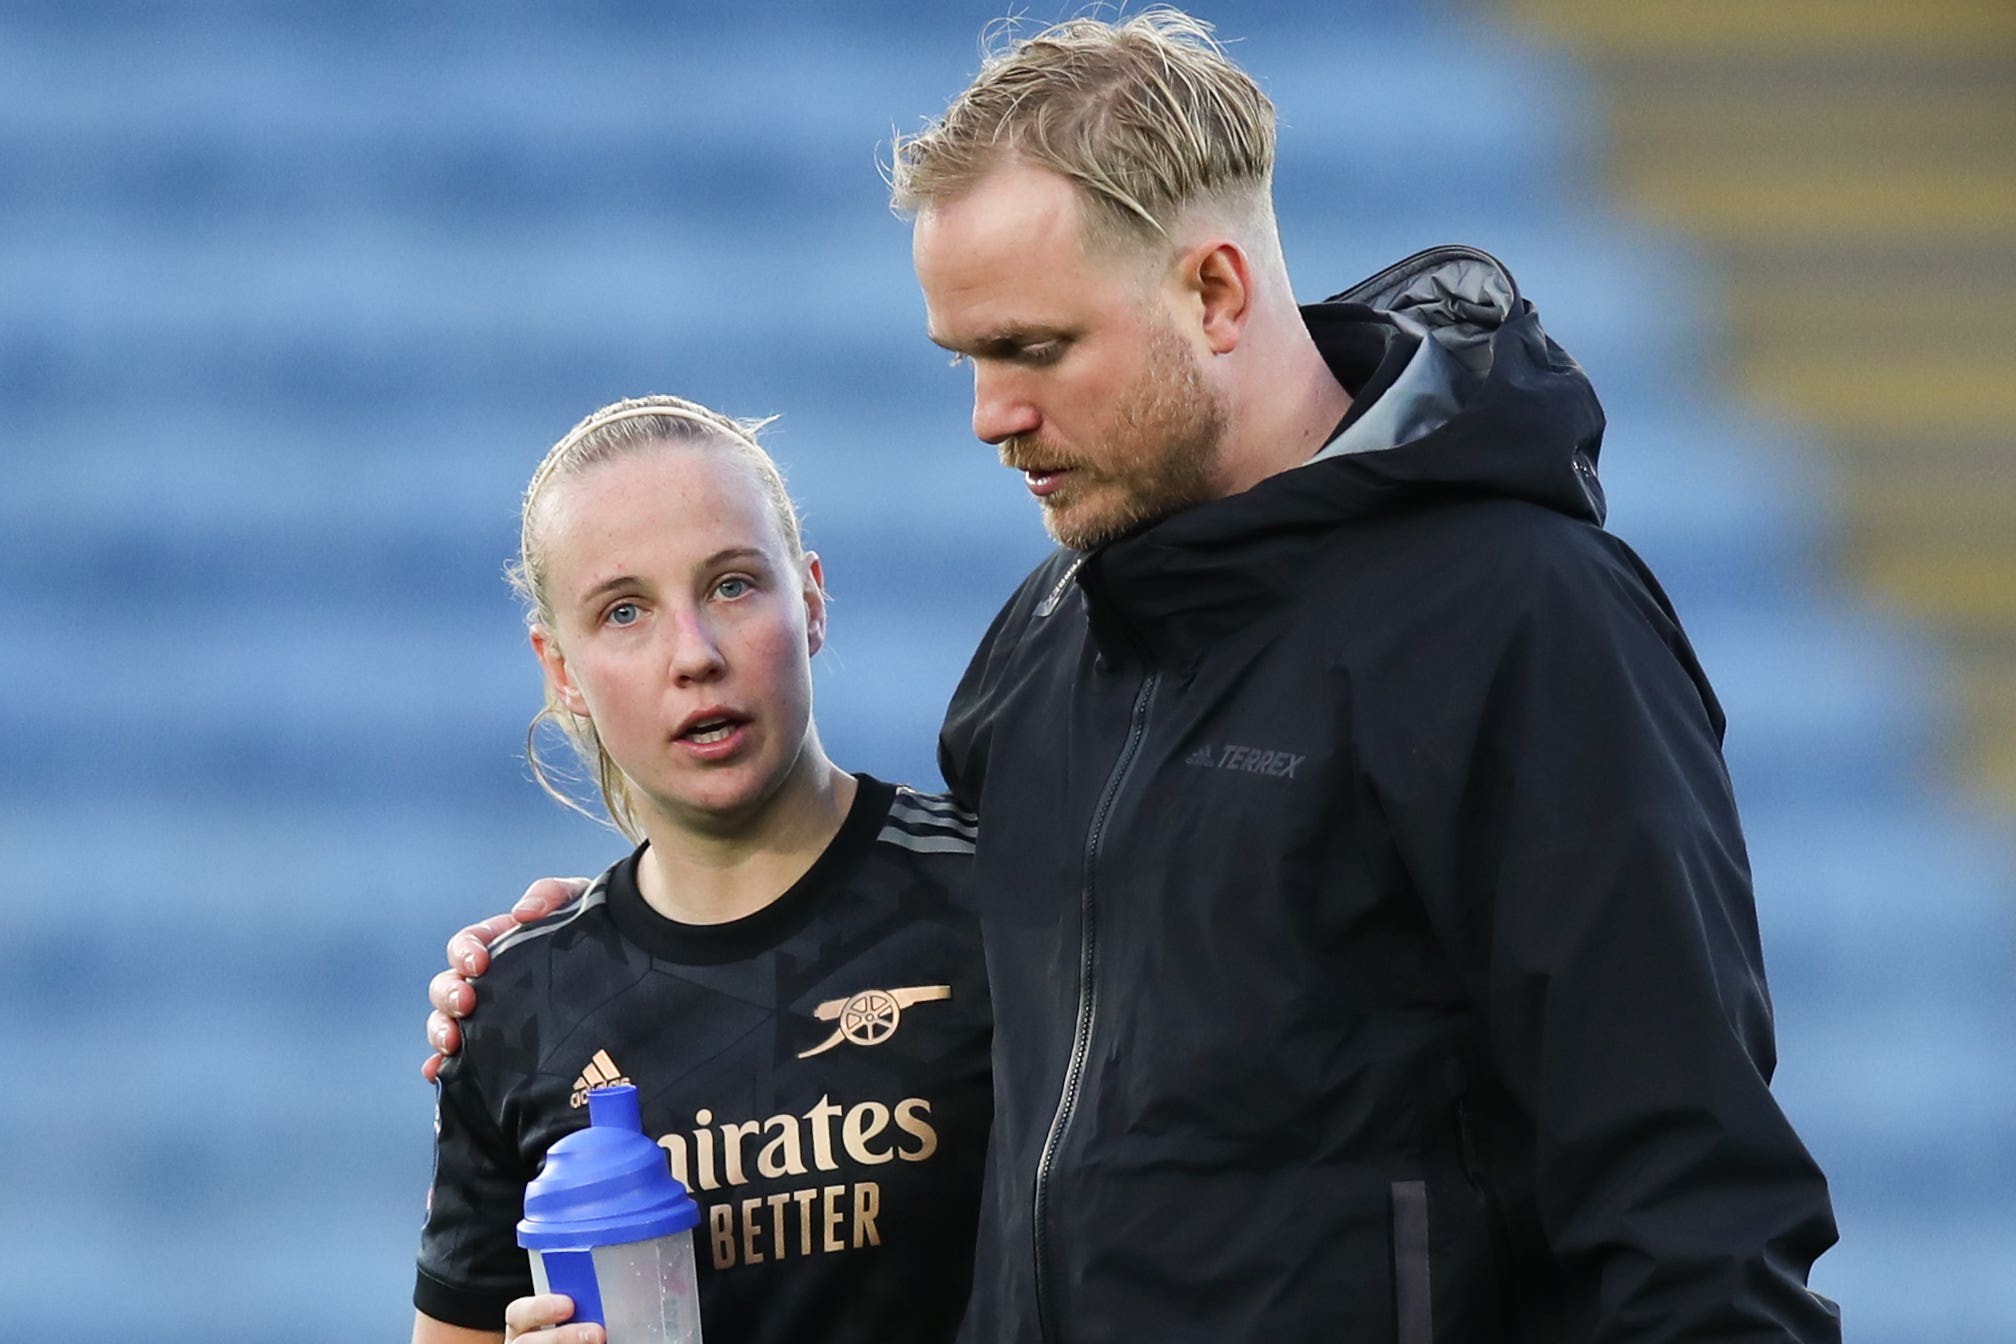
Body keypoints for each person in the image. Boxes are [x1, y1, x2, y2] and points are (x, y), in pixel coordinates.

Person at [428, 12, 1841, 1341]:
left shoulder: (1524, 624)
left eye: (1034, 349)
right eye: (967, 358)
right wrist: (602, 957)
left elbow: (1697, 1214)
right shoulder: (1039, 656)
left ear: (1215, 290)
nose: (991, 417)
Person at [410, 395, 990, 1344]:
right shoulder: (519, 1004)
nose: (695, 655)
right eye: (625, 611)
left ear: (809, 602)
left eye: (731, 585)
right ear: (561, 671)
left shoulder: (1001, 896)